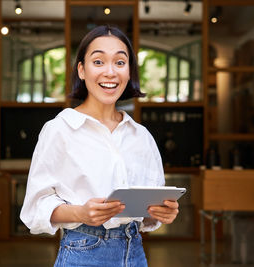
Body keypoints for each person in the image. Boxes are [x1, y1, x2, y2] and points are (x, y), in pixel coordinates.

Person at [20, 25, 179, 267]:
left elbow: (149, 208)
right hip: (83, 252)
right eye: (98, 62)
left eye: (119, 62)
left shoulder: (141, 136)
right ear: (81, 70)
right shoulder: (60, 129)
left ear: (129, 71)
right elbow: (35, 208)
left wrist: (161, 212)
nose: (110, 72)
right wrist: (80, 213)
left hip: (135, 253)